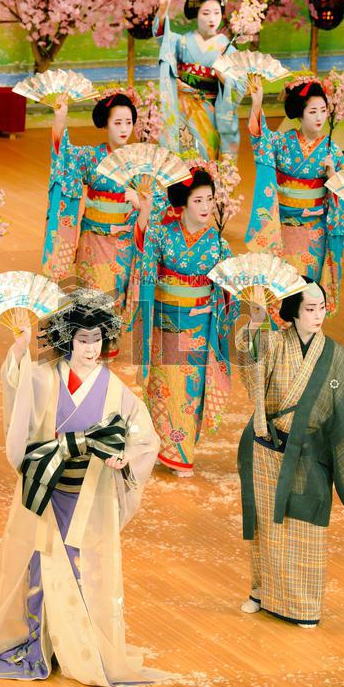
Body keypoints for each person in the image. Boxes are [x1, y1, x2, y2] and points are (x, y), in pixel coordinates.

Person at [0, 289, 166, 687]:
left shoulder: (114, 389)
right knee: (41, 568)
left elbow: (143, 437)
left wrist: (123, 457)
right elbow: (18, 388)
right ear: (67, 340)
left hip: (87, 494)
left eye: (97, 340)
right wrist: (20, 349)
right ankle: (42, 645)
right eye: (83, 340)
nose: (91, 349)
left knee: (82, 570)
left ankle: (81, 647)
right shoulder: (46, 377)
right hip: (49, 488)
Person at [236, 277, 344, 627]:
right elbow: (250, 362)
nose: (318, 316)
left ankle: (304, 606)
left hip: (308, 452)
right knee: (264, 528)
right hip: (266, 448)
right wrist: (255, 323)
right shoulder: (276, 343)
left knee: (307, 527)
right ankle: (260, 591)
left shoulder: (334, 357)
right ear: (293, 312)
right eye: (310, 309)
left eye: (322, 308)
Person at [130, 168, 235, 476]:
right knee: (161, 388)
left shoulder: (219, 245)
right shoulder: (162, 234)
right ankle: (158, 447)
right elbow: (145, 274)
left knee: (188, 391)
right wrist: (144, 215)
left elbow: (227, 294)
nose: (206, 207)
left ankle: (182, 454)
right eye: (198, 200)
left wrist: (223, 301)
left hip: (197, 328)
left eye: (210, 199)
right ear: (184, 203)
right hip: (163, 323)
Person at [246, 78, 344, 314]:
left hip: (314, 231)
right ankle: (282, 330)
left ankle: (306, 329)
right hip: (283, 228)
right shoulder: (282, 142)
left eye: (323, 110)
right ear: (299, 114)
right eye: (312, 111)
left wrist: (333, 177)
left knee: (308, 288)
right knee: (282, 287)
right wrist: (257, 103)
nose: (319, 117)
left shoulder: (332, 151)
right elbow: (260, 140)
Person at [42, 90, 141, 321]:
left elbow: (157, 203)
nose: (124, 128)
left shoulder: (141, 161)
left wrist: (141, 203)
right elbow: (64, 156)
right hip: (94, 241)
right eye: (117, 122)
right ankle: (92, 342)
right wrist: (60, 119)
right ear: (105, 124)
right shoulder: (91, 157)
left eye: (128, 122)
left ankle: (110, 342)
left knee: (116, 300)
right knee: (94, 301)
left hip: (125, 242)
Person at [154, 0, 240, 160]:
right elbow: (164, 39)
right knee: (178, 158)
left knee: (205, 158)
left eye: (216, 13)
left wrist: (224, 77)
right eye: (205, 13)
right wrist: (163, 8)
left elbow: (239, 85)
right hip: (181, 109)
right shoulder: (183, 42)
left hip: (209, 113)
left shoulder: (227, 49)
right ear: (196, 14)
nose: (212, 19)